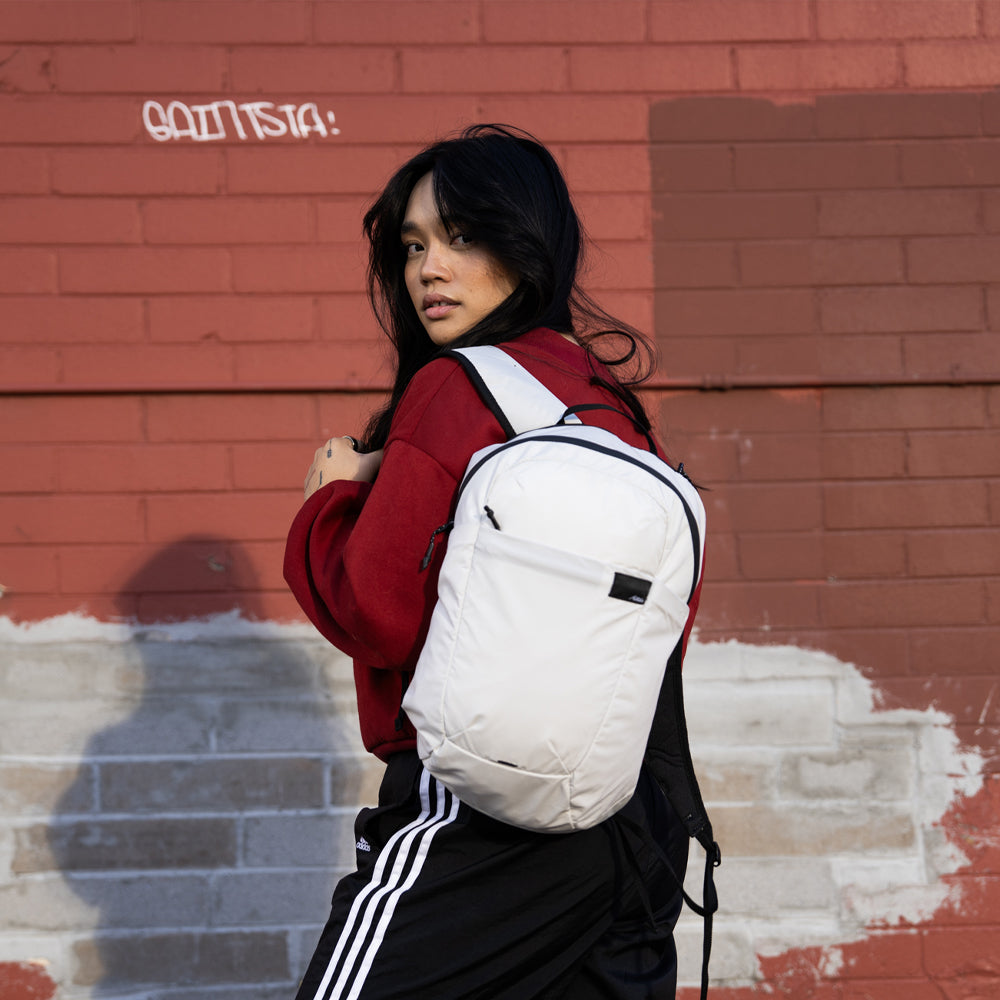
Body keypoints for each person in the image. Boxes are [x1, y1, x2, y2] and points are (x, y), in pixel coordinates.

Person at [284, 124, 698, 1000]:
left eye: (463, 237)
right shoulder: (609, 409)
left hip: (479, 809)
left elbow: (377, 611)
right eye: (413, 246)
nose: (429, 269)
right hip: (635, 820)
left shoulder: (451, 387)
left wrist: (331, 500)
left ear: (524, 242)